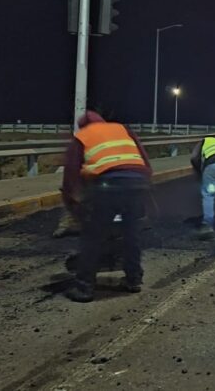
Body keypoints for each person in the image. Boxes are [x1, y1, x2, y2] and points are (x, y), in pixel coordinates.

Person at [63, 111, 152, 303]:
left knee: (92, 236)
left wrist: (73, 204)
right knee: (132, 233)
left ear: (83, 125)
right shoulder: (122, 129)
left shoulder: (83, 136)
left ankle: (84, 288)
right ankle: (133, 279)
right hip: (137, 182)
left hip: (108, 185)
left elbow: (71, 174)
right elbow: (145, 161)